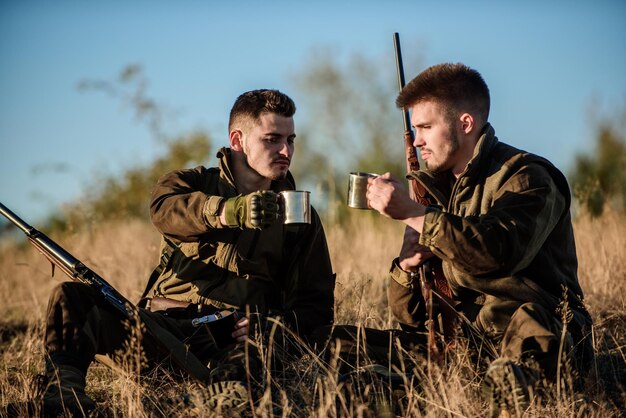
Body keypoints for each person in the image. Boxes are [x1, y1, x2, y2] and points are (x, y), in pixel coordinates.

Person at [41, 89, 336, 415]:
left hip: (233, 345)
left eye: (291, 139)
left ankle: (194, 403)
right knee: (72, 297)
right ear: (238, 141)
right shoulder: (191, 184)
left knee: (241, 380)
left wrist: (273, 325)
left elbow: (316, 306)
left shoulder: (298, 214)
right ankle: (63, 395)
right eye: (272, 139)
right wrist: (227, 211)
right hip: (161, 331)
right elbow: (164, 210)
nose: (286, 150)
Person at [365, 63, 593, 416]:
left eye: (426, 127)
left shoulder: (526, 176)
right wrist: (407, 268)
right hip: (464, 341)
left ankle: (509, 387)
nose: (419, 139)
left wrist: (416, 215)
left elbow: (498, 253)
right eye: (414, 130)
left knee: (532, 328)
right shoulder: (438, 191)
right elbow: (411, 318)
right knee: (340, 344)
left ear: (465, 123)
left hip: (528, 330)